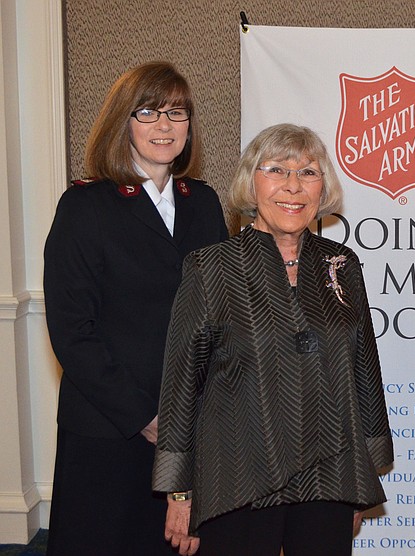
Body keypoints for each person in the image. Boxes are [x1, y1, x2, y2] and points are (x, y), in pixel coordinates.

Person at [153, 123, 393, 556]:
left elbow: (363, 370)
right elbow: (181, 387)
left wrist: (362, 474)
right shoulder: (210, 268)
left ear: (324, 188)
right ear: (251, 182)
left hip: (329, 475)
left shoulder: (342, 264)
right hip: (238, 478)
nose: (293, 186)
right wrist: (180, 492)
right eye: (277, 170)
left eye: (308, 172)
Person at [43, 61, 229, 555]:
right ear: (123, 121)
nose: (164, 126)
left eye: (176, 112)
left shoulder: (204, 204)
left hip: (189, 428)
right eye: (148, 112)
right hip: (110, 430)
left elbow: (221, 319)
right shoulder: (84, 207)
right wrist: (145, 416)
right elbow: (72, 331)